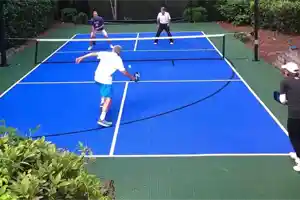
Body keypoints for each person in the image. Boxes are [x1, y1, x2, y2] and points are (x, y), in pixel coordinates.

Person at [75, 45, 138, 127]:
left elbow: (92, 54)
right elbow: (124, 72)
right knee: (109, 99)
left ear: (113, 50)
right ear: (119, 53)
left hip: (97, 77)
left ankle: (102, 102)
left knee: (102, 88)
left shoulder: (105, 53)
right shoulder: (118, 60)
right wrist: (132, 77)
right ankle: (102, 119)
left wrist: (82, 57)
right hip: (105, 80)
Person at [277, 62, 300, 171]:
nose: (284, 71)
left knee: (294, 137)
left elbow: (282, 100)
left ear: (288, 72)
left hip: (294, 115)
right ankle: (297, 153)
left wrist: (287, 101)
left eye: (285, 70)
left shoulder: (285, 82)